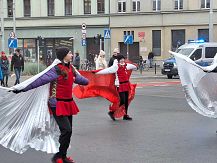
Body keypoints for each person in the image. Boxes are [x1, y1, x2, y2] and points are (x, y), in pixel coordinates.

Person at [9, 47, 89, 163]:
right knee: (67, 130)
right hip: (57, 103)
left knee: (68, 131)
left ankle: (63, 156)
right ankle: (58, 156)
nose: (72, 55)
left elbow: (83, 81)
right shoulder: (57, 69)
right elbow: (40, 80)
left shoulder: (71, 68)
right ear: (64, 55)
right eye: (70, 53)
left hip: (68, 103)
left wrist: (84, 77)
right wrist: (21, 88)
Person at [96, 55, 137, 120]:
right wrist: (97, 72)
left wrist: (136, 65)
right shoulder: (116, 67)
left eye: (123, 59)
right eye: (121, 59)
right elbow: (107, 70)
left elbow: (133, 66)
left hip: (126, 85)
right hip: (120, 85)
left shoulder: (126, 65)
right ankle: (112, 112)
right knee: (122, 101)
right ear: (118, 60)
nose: (122, 60)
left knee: (126, 101)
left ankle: (125, 115)